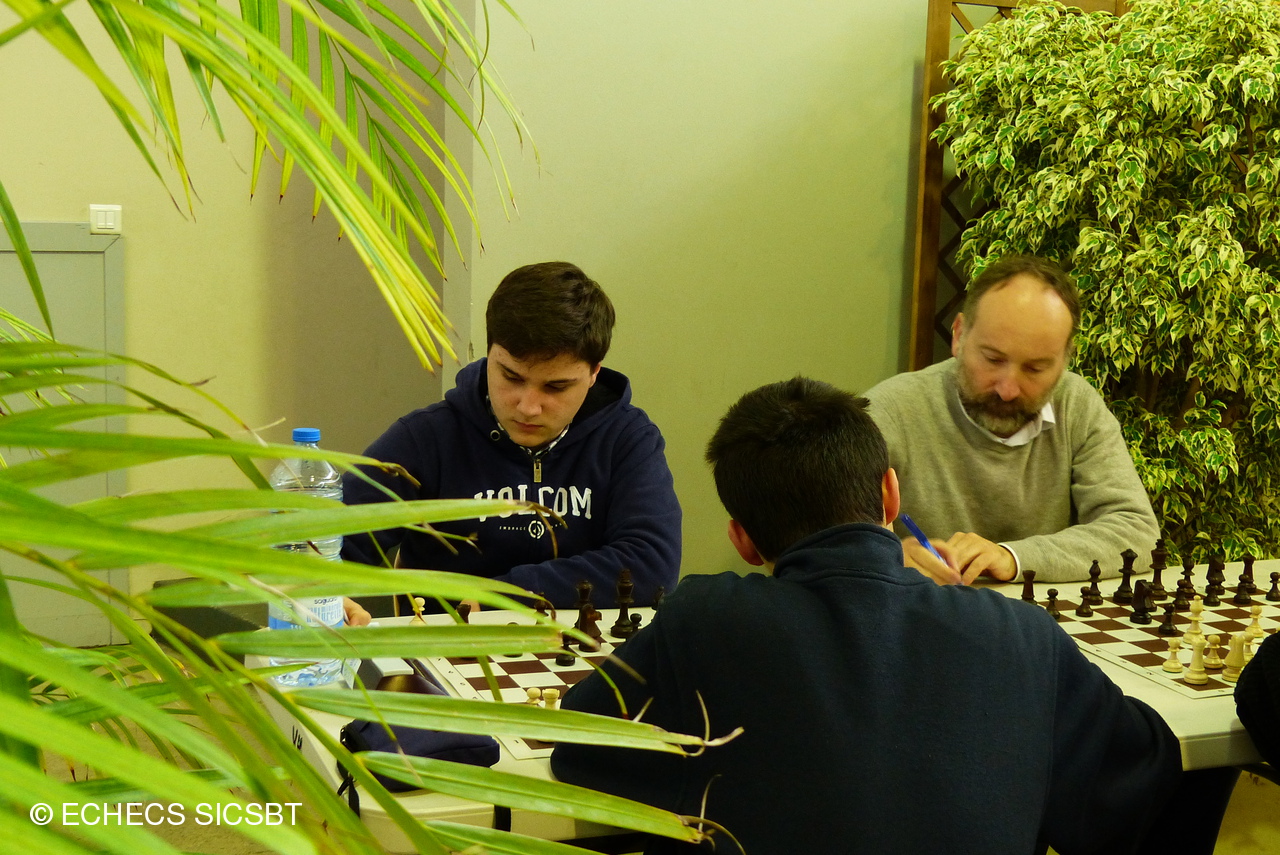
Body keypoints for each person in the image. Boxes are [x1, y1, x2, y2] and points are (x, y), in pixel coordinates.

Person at [551, 377, 1181, 855]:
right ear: (890, 493)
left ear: (742, 540)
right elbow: (1138, 775)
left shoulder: (705, 619)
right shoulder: (1023, 636)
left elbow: (579, 747)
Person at [340, 261, 681, 610]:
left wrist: (507, 595)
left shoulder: (627, 438)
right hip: (448, 641)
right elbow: (324, 544)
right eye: (511, 377)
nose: (528, 407)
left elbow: (652, 565)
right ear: (489, 354)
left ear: (594, 372)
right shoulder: (426, 438)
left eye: (556, 387)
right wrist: (327, 597)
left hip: (585, 642)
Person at [863, 255, 1159, 585]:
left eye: (1035, 369)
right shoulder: (888, 413)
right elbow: (824, 537)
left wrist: (1013, 557)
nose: (1007, 390)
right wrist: (889, 559)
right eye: (992, 359)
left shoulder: (1077, 406)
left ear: (1065, 359)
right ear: (959, 336)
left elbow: (1136, 531)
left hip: (1041, 614)